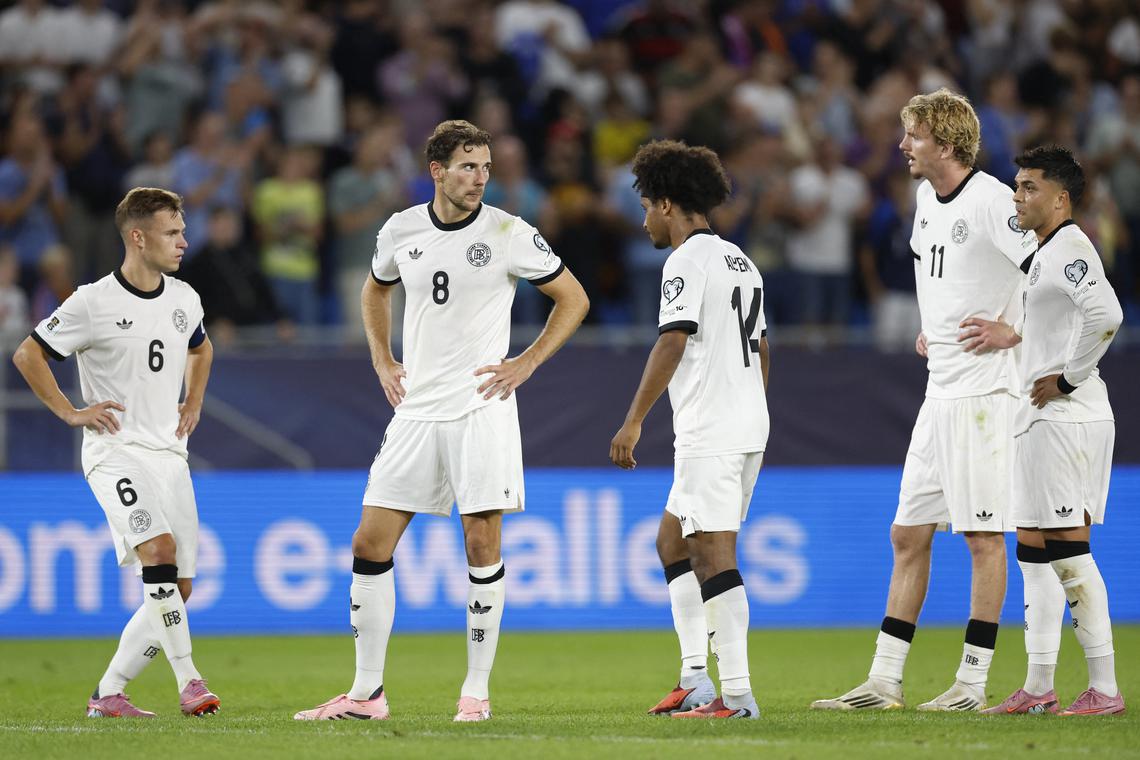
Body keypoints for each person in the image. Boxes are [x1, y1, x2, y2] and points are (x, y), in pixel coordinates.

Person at [294, 120, 589, 722]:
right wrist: (381, 358)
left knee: (480, 542)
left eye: (484, 167)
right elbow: (376, 291)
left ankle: (475, 693)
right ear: (437, 171)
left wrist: (527, 362)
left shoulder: (510, 232)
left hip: (481, 405)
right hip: (418, 409)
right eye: (467, 166)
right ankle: (365, 694)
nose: (479, 177)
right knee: (369, 542)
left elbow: (574, 298)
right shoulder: (401, 229)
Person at [811, 88, 1037, 712]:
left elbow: (1043, 270)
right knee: (907, 534)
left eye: (912, 135)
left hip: (987, 394)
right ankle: (883, 681)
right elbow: (937, 274)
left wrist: (1011, 329)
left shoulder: (993, 200)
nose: (902, 145)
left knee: (983, 538)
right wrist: (932, 324)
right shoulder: (921, 199)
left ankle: (970, 682)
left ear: (945, 141)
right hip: (940, 392)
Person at [11, 187, 219, 718]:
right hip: (115, 451)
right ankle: (190, 680)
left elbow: (202, 347)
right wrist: (69, 412)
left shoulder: (184, 298)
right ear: (137, 236)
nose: (182, 241)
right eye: (172, 233)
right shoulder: (92, 301)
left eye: (181, 230)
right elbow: (28, 353)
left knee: (181, 585)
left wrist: (193, 398)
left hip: (170, 454)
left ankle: (108, 693)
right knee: (159, 553)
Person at [958, 146, 1126, 716]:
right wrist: (1016, 335)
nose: (1017, 195)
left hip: (1067, 418)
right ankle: (1038, 686)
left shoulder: (1072, 247)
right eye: (1016, 185)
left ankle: (1104, 688)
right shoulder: (1042, 254)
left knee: (1070, 553)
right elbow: (1057, 323)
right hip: (1040, 419)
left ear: (1061, 198)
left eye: (1029, 187)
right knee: (1034, 553)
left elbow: (1108, 314)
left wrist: (1069, 379)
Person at [610, 139, 767, 720]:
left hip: (714, 428)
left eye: (648, 204)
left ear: (670, 204)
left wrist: (633, 421)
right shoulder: (739, 260)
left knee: (713, 553)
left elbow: (672, 339)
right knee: (672, 542)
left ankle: (740, 696)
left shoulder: (686, 261)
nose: (645, 217)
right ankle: (695, 679)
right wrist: (752, 409)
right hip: (743, 423)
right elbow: (763, 348)